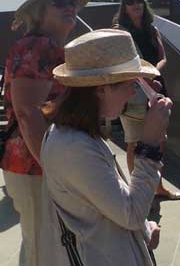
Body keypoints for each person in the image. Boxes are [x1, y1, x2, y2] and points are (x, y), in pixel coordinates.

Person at [39, 29, 172, 266]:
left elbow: (109, 202)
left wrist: (143, 229)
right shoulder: (73, 148)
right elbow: (130, 213)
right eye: (129, 84)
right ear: (100, 89)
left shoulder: (75, 134)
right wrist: (150, 146)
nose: (133, 92)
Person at [1, 0, 89, 266]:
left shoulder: (48, 46)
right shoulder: (38, 47)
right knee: (44, 248)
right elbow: (27, 111)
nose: (70, 7)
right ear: (39, 11)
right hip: (35, 164)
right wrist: (53, 168)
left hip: (36, 162)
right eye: (60, 2)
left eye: (72, 2)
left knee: (44, 245)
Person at [113, 0, 180, 200]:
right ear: (124, 7)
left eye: (140, 0)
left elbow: (163, 57)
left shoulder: (152, 30)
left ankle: (158, 187)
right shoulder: (120, 31)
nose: (136, 4)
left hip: (156, 91)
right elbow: (121, 63)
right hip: (133, 93)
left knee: (159, 140)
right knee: (135, 143)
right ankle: (138, 194)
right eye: (131, 1)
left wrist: (154, 73)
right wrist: (145, 78)